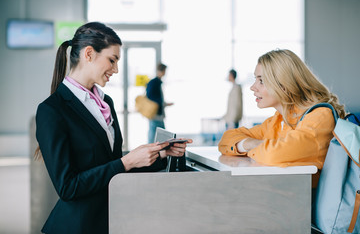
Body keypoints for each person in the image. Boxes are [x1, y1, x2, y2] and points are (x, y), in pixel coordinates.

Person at [34, 22, 192, 234]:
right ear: (88, 54)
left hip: (111, 220)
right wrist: (125, 162)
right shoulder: (52, 110)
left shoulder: (106, 102)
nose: (116, 70)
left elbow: (113, 166)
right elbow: (68, 187)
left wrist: (160, 154)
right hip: (77, 227)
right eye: (112, 60)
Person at [218, 49, 345, 187]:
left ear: (284, 85)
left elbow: (275, 154)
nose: (253, 87)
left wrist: (255, 147)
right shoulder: (279, 120)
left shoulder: (320, 117)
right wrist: (250, 143)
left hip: (309, 205)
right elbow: (226, 140)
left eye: (261, 81)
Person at [146, 63, 173, 143]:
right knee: (156, 133)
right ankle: (153, 151)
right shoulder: (154, 82)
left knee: (157, 133)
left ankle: (156, 150)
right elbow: (150, 96)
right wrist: (161, 103)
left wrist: (164, 103)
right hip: (155, 113)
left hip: (157, 113)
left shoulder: (157, 82)